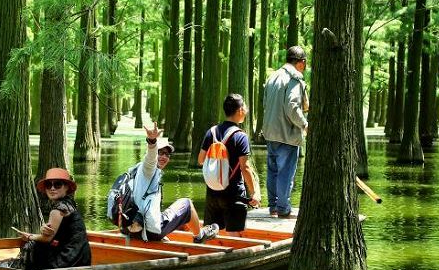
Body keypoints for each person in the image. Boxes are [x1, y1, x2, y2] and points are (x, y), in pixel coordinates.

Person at [123, 124, 219, 243]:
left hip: (132, 230)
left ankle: (166, 232)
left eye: (167, 154)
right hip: (147, 232)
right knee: (187, 204)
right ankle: (200, 236)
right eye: (160, 153)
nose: (164, 157)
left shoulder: (137, 170)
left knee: (178, 218)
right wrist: (152, 142)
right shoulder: (148, 169)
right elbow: (150, 159)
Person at [198, 94, 262, 236]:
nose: (246, 109)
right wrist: (254, 193)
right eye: (244, 106)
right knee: (235, 237)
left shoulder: (212, 132)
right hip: (233, 194)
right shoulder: (240, 136)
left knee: (213, 235)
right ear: (239, 110)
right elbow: (245, 168)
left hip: (212, 193)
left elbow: (201, 160)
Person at [262, 45, 309, 218]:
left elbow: (265, 103)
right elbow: (292, 106)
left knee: (273, 171)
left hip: (270, 132)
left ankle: (273, 206)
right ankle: (283, 208)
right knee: (285, 173)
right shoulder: (294, 78)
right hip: (287, 134)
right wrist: (304, 124)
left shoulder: (273, 76)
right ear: (301, 63)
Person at [14, 168, 91, 270]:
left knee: (33, 245)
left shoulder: (58, 209)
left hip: (69, 259)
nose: (52, 188)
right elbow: (60, 234)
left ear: (66, 187)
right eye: (48, 185)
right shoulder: (70, 204)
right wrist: (43, 229)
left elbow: (47, 238)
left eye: (57, 184)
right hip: (82, 257)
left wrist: (29, 236)